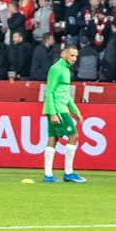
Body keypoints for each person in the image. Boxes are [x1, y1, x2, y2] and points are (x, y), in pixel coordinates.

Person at [41, 44, 85, 183]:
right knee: (74, 136)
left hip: (58, 108)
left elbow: (66, 95)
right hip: (58, 109)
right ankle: (68, 172)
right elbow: (49, 91)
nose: (74, 58)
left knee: (53, 138)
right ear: (63, 54)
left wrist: (76, 111)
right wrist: (53, 112)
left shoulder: (65, 69)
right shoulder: (57, 69)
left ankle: (48, 175)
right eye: (72, 55)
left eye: (76, 56)